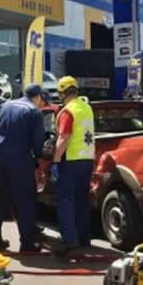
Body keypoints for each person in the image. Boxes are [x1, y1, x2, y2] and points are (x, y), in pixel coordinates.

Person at [0, 84, 48, 252]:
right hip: (19, 162)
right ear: (37, 97)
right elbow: (37, 142)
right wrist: (39, 158)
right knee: (24, 202)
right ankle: (27, 244)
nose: (42, 105)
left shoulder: (5, 105)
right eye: (43, 101)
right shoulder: (34, 112)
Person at [50, 76, 95, 256]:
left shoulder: (68, 111)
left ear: (62, 93)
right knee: (82, 201)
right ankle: (84, 239)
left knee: (65, 201)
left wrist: (55, 160)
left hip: (71, 162)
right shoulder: (86, 107)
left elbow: (64, 137)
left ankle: (70, 242)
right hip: (87, 160)